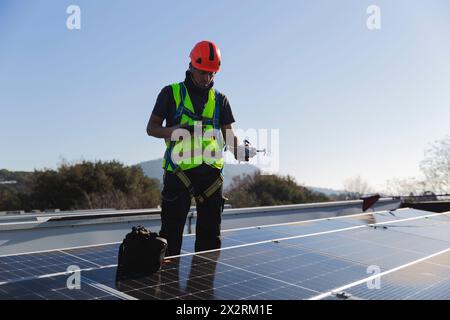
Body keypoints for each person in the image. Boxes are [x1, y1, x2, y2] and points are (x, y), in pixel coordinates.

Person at [147, 40, 256, 256]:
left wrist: (241, 150)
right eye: (203, 72)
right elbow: (152, 128)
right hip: (178, 175)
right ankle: (168, 288)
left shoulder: (221, 100)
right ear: (192, 66)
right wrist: (176, 130)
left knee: (210, 241)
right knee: (170, 238)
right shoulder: (171, 93)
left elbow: (229, 136)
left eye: (212, 74)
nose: (207, 78)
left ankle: (204, 288)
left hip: (211, 179)